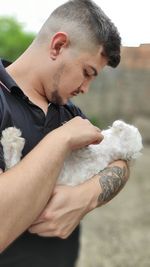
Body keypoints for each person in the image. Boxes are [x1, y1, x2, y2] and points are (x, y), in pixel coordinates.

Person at [0, 0, 129, 266]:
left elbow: (120, 162)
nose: (86, 89)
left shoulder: (69, 113)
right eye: (87, 73)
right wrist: (59, 140)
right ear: (58, 46)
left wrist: (87, 195)